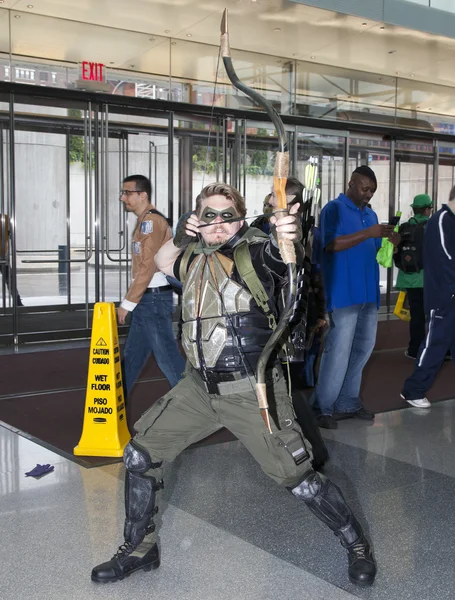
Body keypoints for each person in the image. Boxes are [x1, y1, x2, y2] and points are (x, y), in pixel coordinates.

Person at [91, 182, 376, 588]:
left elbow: (282, 254)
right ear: (197, 220)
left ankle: (357, 545)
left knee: (300, 479)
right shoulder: (192, 257)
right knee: (140, 455)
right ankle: (140, 548)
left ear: (241, 219)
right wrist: (185, 233)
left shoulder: (256, 252)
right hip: (199, 388)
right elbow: (161, 259)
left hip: (250, 390)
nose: (219, 224)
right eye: (209, 215)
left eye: (228, 215)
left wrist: (287, 231)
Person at [311, 166, 397, 429]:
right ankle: (322, 407)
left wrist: (392, 239)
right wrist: (368, 234)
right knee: (338, 351)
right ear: (351, 183)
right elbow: (329, 245)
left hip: (369, 294)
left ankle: (347, 402)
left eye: (372, 190)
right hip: (343, 292)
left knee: (362, 350)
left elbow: (373, 249)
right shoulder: (333, 209)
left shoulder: (371, 215)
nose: (369, 194)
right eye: (365, 188)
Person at [253, 176, 329, 470]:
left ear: (295, 204)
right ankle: (296, 449)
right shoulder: (264, 225)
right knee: (281, 387)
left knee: (286, 389)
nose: (270, 199)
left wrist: (317, 314)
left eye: (278, 196)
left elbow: (309, 273)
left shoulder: (300, 230)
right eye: (272, 194)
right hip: (273, 317)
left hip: (287, 319)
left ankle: (311, 452)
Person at [118, 175, 185, 396]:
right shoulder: (145, 221)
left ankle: (194, 404)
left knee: (167, 356)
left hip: (153, 299)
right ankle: (117, 401)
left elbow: (147, 267)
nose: (122, 197)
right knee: (133, 356)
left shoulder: (152, 223)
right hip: (148, 299)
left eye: (127, 192)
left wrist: (127, 304)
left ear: (142, 195)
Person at [400, 187, 455, 408]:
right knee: (435, 343)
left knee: (439, 342)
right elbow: (446, 259)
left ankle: (415, 389)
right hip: (444, 296)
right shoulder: (441, 221)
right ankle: (413, 390)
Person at [395, 194, 433, 360]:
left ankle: (414, 349)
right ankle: (438, 350)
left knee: (416, 315)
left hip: (409, 279)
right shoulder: (432, 227)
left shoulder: (403, 228)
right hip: (429, 279)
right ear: (426, 209)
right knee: (435, 315)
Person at [0, 214, 23, 307]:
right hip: (3, 255)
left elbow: (11, 235)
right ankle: (17, 301)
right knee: (10, 280)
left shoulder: (5, 219)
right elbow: (11, 236)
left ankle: (17, 300)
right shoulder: (5, 219)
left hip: (3, 256)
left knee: (10, 279)